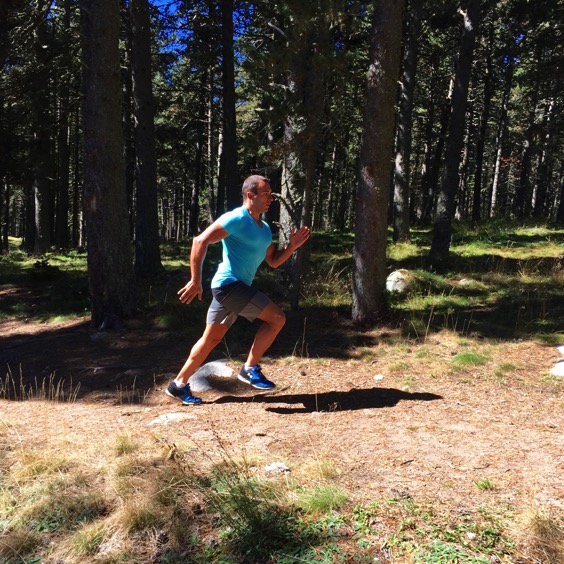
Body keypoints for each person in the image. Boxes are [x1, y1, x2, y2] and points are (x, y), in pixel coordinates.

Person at [166, 175, 311, 405]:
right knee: (277, 319)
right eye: (266, 194)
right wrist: (195, 280)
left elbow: (272, 261)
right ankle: (250, 368)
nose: (270, 199)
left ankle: (178, 384)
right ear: (250, 195)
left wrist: (292, 247)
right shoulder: (236, 218)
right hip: (229, 286)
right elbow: (199, 241)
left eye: (271, 194)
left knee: (211, 339)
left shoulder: (263, 229)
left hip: (234, 288)